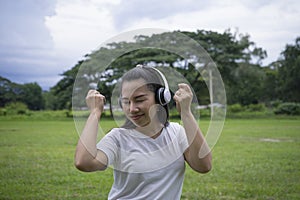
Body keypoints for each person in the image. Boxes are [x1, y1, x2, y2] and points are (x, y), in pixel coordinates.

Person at [75, 65, 212, 199]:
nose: (132, 109)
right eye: (126, 102)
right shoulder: (118, 138)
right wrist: (95, 113)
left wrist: (186, 113)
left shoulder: (176, 133)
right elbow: (84, 162)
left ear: (161, 97)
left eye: (139, 99)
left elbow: (203, 165)